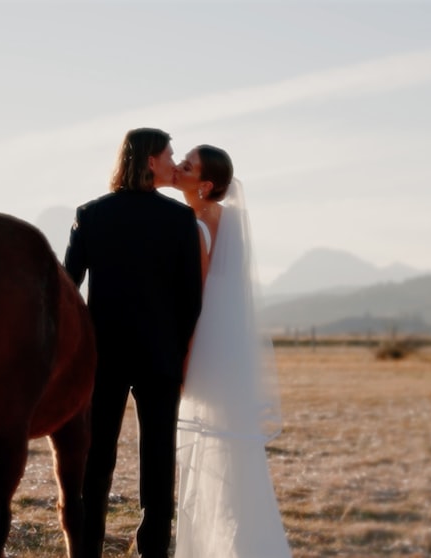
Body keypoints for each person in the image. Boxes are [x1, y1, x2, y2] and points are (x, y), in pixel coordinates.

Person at [64, 128, 204, 558]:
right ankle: (153, 551)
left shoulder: (90, 215)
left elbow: (68, 289)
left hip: (102, 358)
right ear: (148, 160)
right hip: (160, 357)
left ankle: (87, 550)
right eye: (169, 155)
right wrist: (179, 351)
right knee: (158, 462)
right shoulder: (180, 221)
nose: (173, 162)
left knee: (96, 462)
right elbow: (190, 299)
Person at [165, 145, 292, 558]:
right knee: (230, 454)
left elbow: (193, 301)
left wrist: (182, 359)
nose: (177, 168)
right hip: (225, 357)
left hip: (204, 354)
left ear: (204, 185)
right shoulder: (226, 221)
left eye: (186, 166)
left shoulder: (197, 226)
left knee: (208, 451)